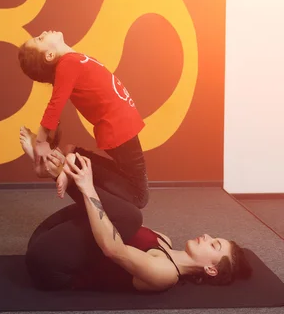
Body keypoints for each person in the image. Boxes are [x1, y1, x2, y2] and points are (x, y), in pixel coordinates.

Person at [21, 129, 252, 293]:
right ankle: (60, 165)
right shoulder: (164, 240)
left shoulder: (166, 273)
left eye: (214, 245)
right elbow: (110, 216)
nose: (207, 237)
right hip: (48, 236)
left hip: (49, 264)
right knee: (129, 207)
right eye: (214, 238)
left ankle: (60, 168)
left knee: (131, 216)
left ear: (211, 269)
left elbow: (113, 249)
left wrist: (87, 186)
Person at [18, 30, 148, 209]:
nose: (44, 32)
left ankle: (77, 158)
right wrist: (40, 142)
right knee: (139, 197)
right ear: (49, 55)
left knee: (127, 180)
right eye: (40, 38)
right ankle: (72, 164)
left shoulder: (70, 61)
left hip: (121, 127)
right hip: (119, 129)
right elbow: (55, 105)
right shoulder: (68, 63)